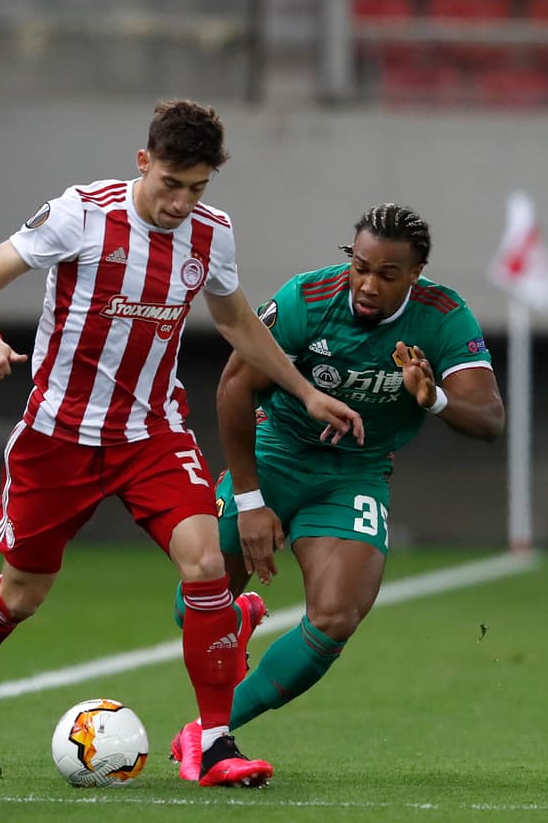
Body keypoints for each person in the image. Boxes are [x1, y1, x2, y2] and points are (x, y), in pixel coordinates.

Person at [0, 99, 364, 787]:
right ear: (144, 163)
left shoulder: (211, 233)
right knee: (23, 594)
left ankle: (215, 743)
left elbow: (236, 323)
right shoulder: (82, 213)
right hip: (59, 436)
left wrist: (304, 390)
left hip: (152, 433)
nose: (181, 202)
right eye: (171, 184)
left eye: (197, 188)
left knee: (204, 565)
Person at [170, 202, 505, 770]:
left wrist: (435, 399)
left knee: (335, 616)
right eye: (360, 266)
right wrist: (250, 501)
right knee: (196, 605)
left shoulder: (444, 316)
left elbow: (490, 418)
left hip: (355, 472)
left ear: (415, 275)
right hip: (275, 452)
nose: (368, 284)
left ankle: (206, 736)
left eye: (387, 274)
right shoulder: (309, 299)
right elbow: (233, 387)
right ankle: (237, 617)